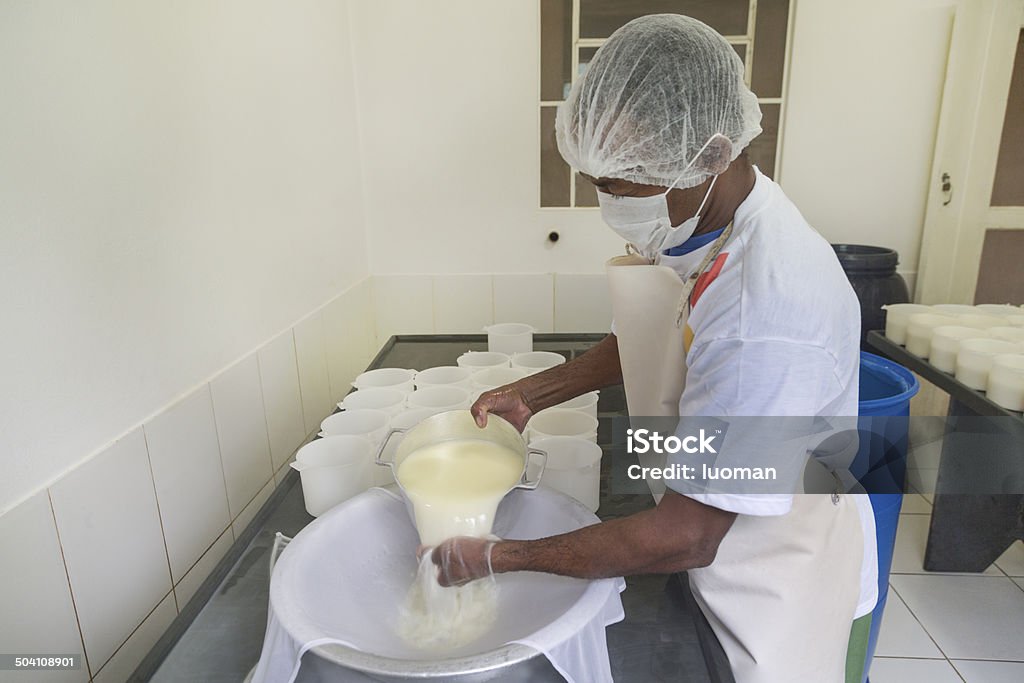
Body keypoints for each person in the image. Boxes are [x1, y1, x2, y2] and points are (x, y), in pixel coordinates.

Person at [429, 15, 876, 683]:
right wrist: (535, 392)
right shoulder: (724, 221)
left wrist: (496, 556)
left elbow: (687, 534)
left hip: (773, 583)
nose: (608, 204)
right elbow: (663, 337)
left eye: (623, 184)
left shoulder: (766, 312)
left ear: (710, 155)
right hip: (716, 533)